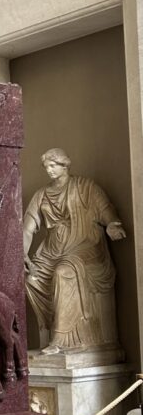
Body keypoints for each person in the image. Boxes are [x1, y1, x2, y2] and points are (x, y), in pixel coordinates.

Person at [23, 148, 125, 353]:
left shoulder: (86, 187)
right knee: (30, 278)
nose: (49, 170)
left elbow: (104, 209)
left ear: (65, 165)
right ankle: (47, 330)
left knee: (64, 272)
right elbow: (27, 228)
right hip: (52, 251)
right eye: (46, 167)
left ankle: (60, 340)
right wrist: (22, 254)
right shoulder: (41, 195)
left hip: (83, 245)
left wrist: (112, 224)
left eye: (53, 166)